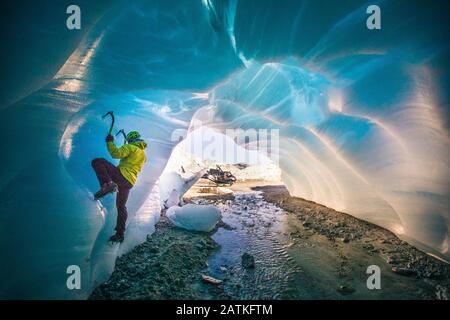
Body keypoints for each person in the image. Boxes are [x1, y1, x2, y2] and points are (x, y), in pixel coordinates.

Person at [91, 131, 147, 243]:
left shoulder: (130, 147)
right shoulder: (143, 155)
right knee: (121, 207)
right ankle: (120, 234)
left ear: (131, 140)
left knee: (98, 161)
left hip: (121, 176)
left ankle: (107, 185)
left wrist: (109, 142)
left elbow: (115, 153)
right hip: (129, 182)